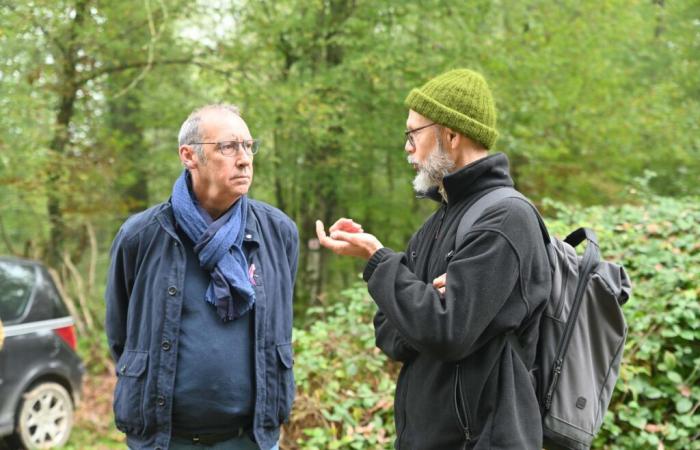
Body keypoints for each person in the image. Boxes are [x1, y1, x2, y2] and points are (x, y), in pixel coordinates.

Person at [316, 69, 552, 449]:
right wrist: (425, 299)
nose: (407, 146)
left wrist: (380, 262)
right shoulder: (436, 224)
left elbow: (445, 333)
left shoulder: (506, 219)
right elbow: (391, 334)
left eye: (413, 133)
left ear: (451, 135)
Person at [105, 104, 299, 450]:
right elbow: (122, 334)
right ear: (188, 156)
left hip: (250, 438)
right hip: (165, 440)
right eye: (228, 147)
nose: (244, 158)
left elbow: (280, 320)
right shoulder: (142, 236)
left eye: (248, 145)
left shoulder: (278, 232)